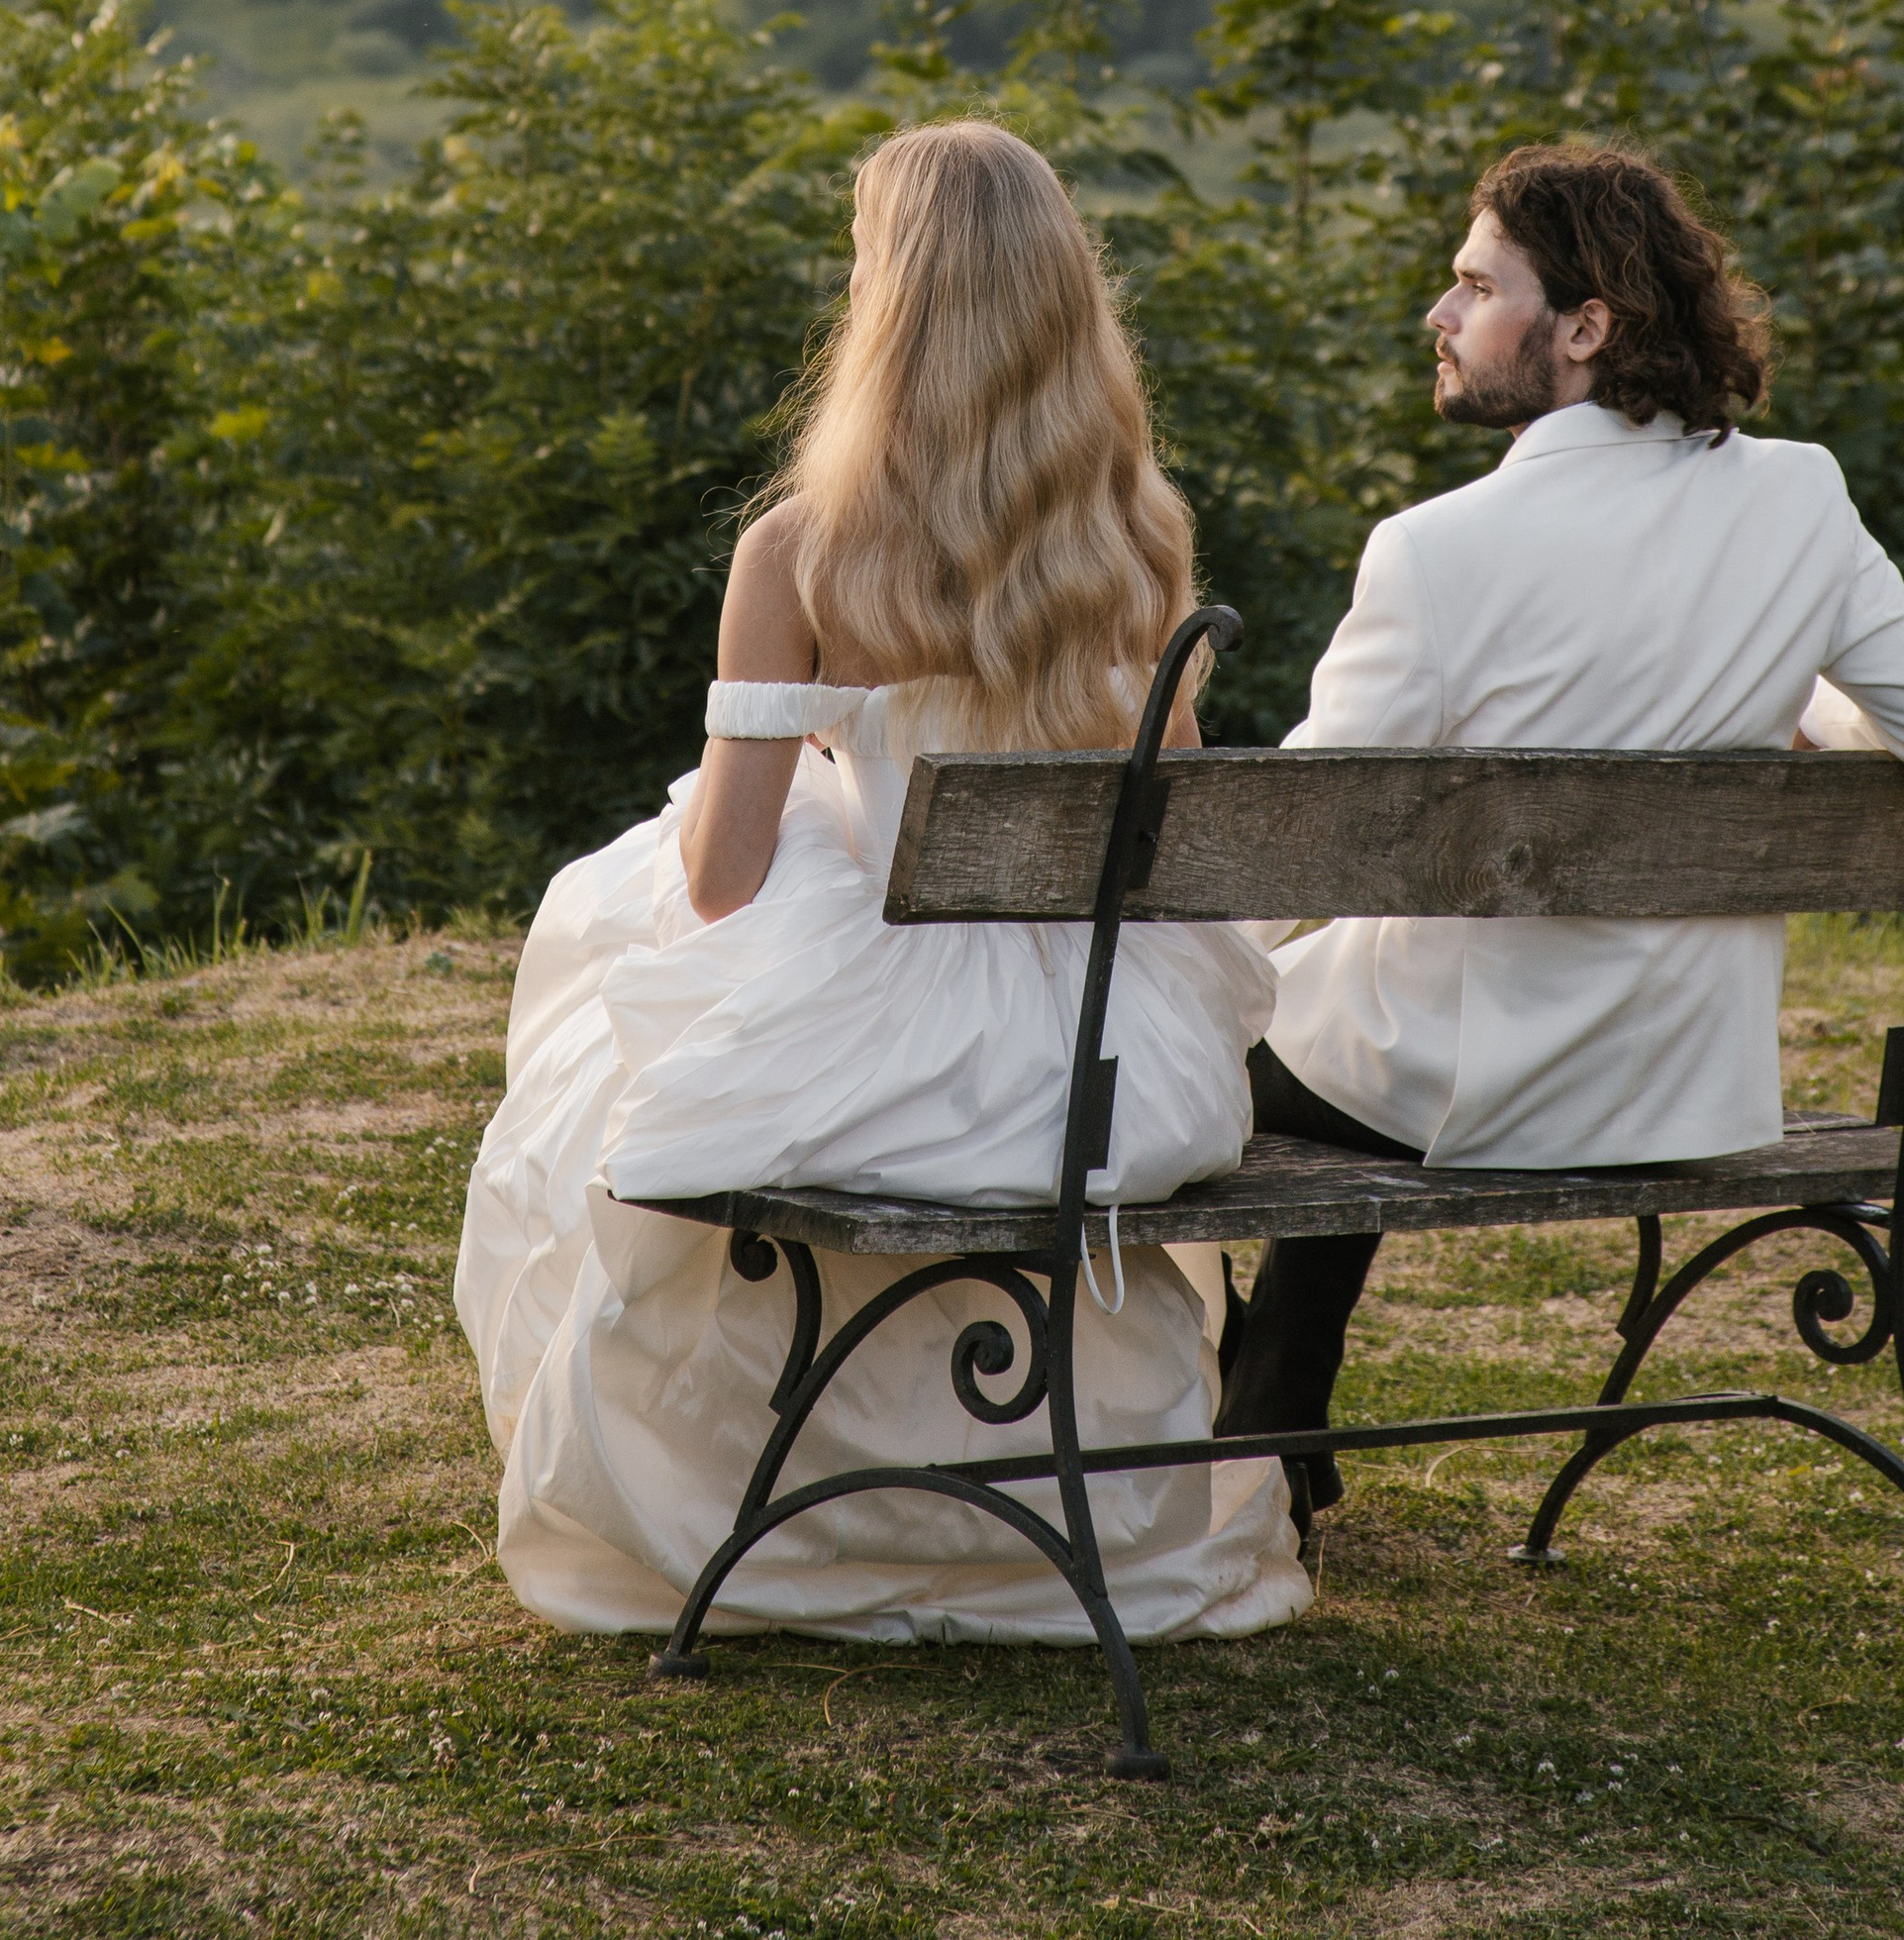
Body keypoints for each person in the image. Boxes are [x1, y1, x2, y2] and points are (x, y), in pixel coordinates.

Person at [457, 119, 1309, 1645]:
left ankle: (785, 1504)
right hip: (1105, 1060)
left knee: (617, 914)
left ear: (887, 310)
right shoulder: (1137, 537)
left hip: (888, 1048)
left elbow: (721, 881)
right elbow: (1158, 824)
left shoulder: (803, 552)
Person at [1218, 140, 1904, 1491]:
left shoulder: (1436, 550)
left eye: (1475, 286)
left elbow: (1287, 845)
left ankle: (1257, 1422)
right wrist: (1818, 712)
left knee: (1199, 1038)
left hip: (1467, 1090)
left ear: (1584, 328)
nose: (1442, 314)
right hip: (1683, 1086)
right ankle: (1269, 1421)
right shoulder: (1798, 497)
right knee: (1321, 1009)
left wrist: (1161, 975)